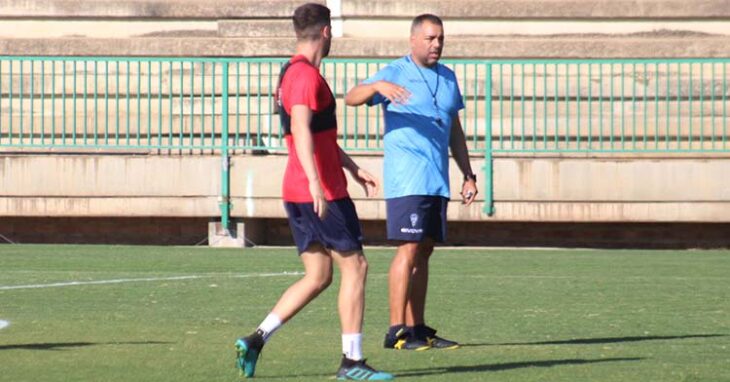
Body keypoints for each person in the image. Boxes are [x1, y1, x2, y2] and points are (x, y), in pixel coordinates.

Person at [234, 4, 394, 380]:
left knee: (319, 275)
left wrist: (352, 167)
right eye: (332, 32)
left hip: (300, 191)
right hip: (320, 194)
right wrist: (317, 182)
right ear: (325, 32)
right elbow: (302, 130)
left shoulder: (291, 72)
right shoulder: (304, 76)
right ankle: (352, 363)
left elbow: (317, 135)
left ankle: (256, 339)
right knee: (356, 266)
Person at [344, 14, 478, 351]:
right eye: (430, 38)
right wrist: (376, 87)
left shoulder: (448, 78)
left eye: (441, 39)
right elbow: (350, 96)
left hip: (437, 180)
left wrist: (468, 174)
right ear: (413, 40)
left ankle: (417, 328)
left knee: (425, 250)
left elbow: (455, 130)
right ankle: (395, 330)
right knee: (408, 249)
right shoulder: (395, 72)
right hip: (408, 179)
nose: (436, 45)